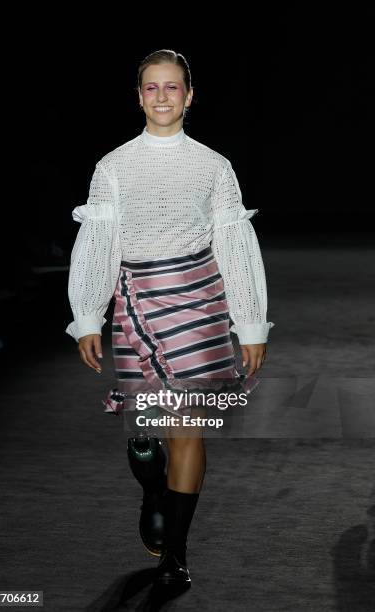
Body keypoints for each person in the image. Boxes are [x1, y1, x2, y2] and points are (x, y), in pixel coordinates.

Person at [65, 49, 275, 589]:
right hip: (138, 298)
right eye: (152, 88)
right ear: (139, 97)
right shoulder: (113, 165)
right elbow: (98, 242)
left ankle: (175, 556)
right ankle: (152, 489)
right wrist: (88, 314)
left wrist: (249, 321)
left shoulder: (213, 166)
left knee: (189, 429)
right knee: (147, 428)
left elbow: (233, 241)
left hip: (201, 303)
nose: (162, 96)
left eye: (173, 87)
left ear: (190, 95)